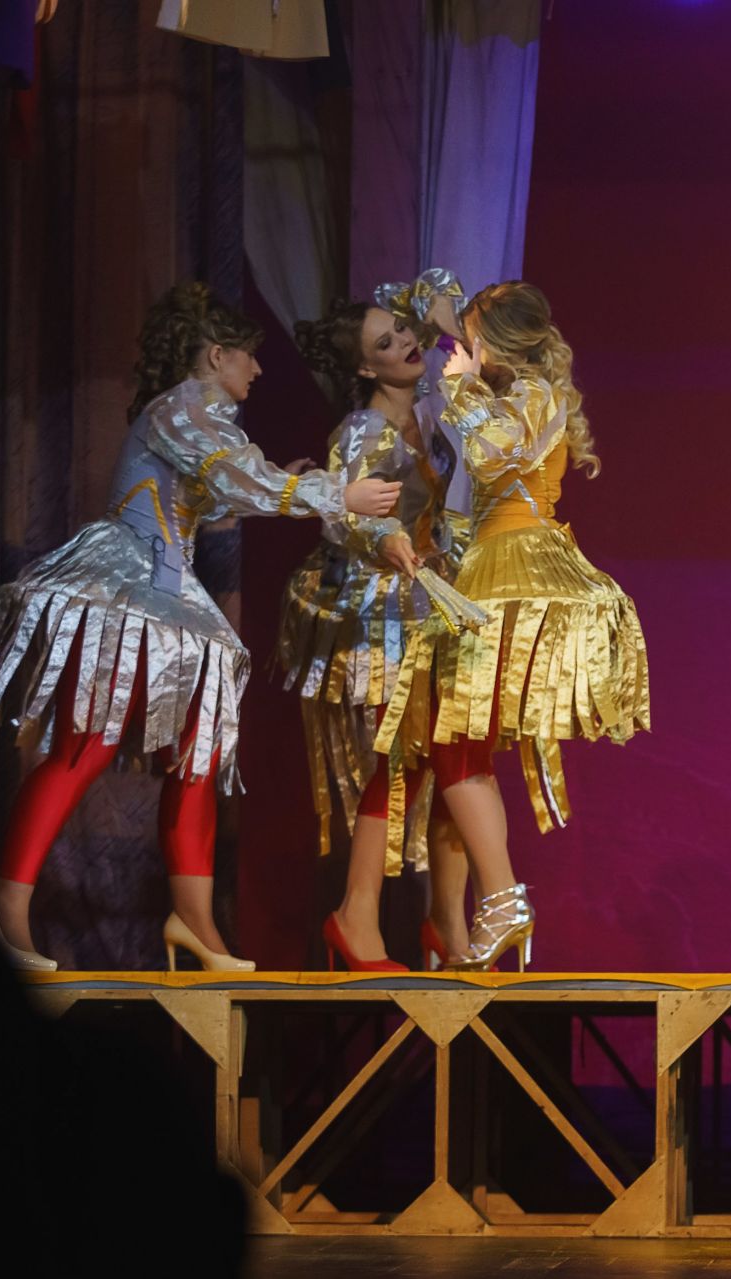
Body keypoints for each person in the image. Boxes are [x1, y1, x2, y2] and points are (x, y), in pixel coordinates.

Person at [0, 283, 401, 971]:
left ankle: (194, 922)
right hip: (129, 591)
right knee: (88, 743)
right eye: (248, 356)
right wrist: (336, 494)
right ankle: (5, 908)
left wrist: (284, 483)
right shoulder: (184, 405)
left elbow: (218, 488)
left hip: (168, 599)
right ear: (216, 355)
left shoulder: (199, 416)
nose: (258, 369)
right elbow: (231, 474)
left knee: (199, 754)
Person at [375, 281, 651, 970]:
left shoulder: (533, 394)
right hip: (487, 571)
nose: (459, 351)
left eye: (471, 339)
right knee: (457, 745)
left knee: (456, 743)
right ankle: (467, 915)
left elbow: (488, 454)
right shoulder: (517, 391)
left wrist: (460, 387)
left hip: (514, 576)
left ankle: (500, 899)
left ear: (495, 344)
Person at [280, 270, 485, 970]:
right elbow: (344, 516)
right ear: (365, 368)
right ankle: (357, 912)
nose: (403, 343)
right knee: (402, 758)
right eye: (385, 343)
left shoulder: (428, 409)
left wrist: (440, 319)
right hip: (383, 609)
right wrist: (385, 536)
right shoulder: (363, 427)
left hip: (432, 598)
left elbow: (435, 289)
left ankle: (445, 922)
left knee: (451, 756)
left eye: (402, 332)